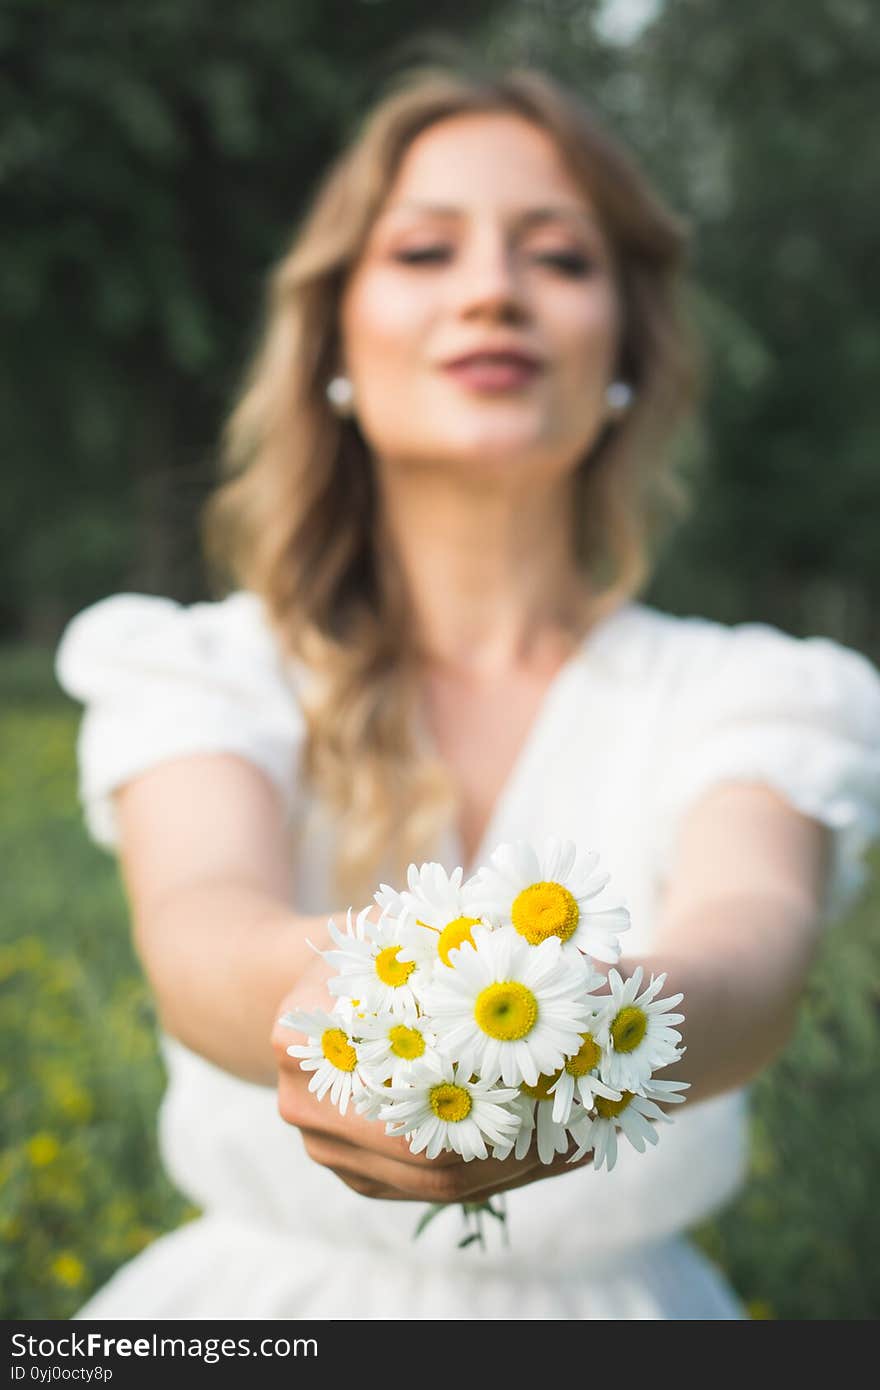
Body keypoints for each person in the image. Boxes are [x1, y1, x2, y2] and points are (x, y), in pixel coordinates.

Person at [54, 62, 880, 1321]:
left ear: (628, 348)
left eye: (557, 258)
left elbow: (750, 946)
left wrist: (589, 1037)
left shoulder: (753, 693)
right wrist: (363, 1012)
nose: (491, 290)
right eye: (426, 250)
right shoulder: (204, 670)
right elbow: (199, 925)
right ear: (332, 337)